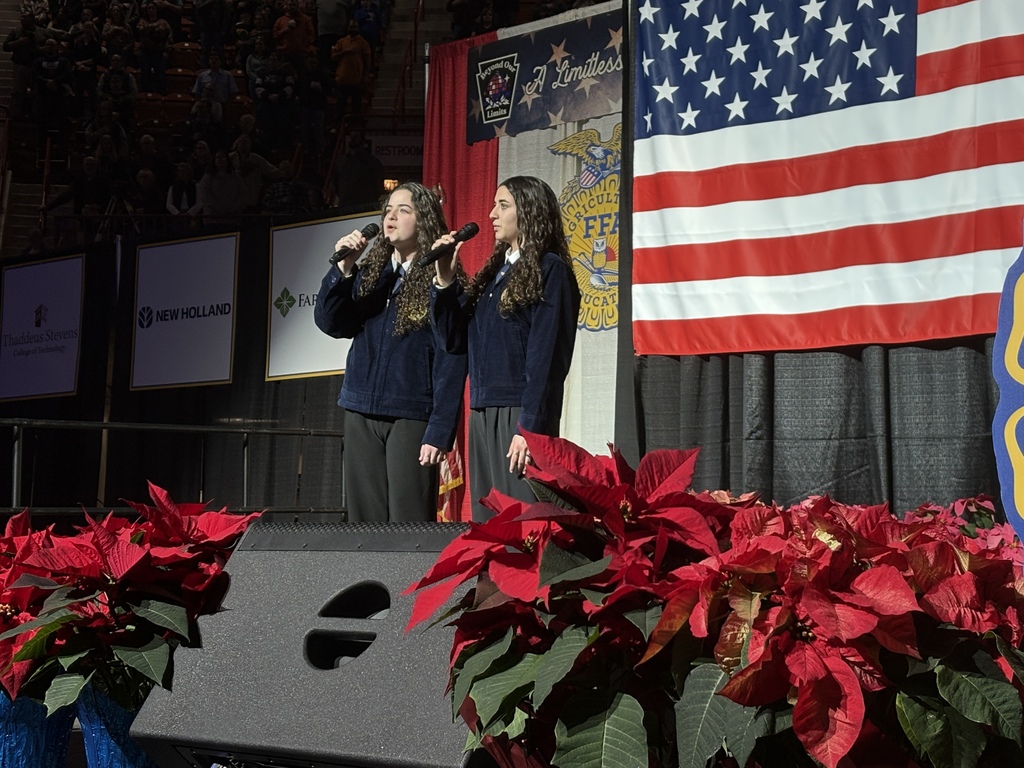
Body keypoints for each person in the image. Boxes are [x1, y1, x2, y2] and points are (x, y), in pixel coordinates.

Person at [314, 182, 467, 523]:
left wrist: (440, 430)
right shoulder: (372, 274)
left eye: (404, 210)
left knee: (408, 523)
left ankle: (409, 580)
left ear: (425, 221)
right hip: (360, 409)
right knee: (364, 523)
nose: (391, 217)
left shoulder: (442, 277)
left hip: (411, 415)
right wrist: (342, 271)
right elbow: (332, 323)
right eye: (388, 210)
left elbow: (452, 357)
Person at [430, 176, 581, 521]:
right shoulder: (494, 274)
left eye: (503, 205)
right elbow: (453, 339)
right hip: (483, 411)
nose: (491, 214)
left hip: (518, 413)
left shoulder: (550, 270)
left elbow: (547, 358)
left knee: (521, 523)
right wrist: (445, 282)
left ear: (528, 211)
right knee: (489, 525)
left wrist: (530, 427)